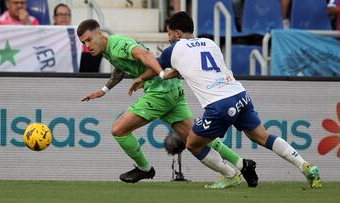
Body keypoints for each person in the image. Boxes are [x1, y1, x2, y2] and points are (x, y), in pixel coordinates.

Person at [129, 11, 322, 189]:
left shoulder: (173, 50)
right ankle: (305, 165)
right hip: (240, 95)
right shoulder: (210, 42)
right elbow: (193, 69)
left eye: (169, 34)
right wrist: (168, 75)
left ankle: (230, 175)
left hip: (219, 104)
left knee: (193, 144)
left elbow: (154, 66)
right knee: (262, 136)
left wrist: (141, 78)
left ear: (178, 33)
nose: (168, 38)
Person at [76, 19, 258, 187]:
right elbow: (120, 69)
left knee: (119, 130)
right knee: (196, 137)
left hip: (159, 92)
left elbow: (145, 54)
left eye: (89, 40)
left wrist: (161, 73)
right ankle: (240, 166)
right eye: (83, 43)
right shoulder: (109, 50)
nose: (87, 46)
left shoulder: (117, 44)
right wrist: (104, 90)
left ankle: (145, 169)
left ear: (100, 34)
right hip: (172, 89)